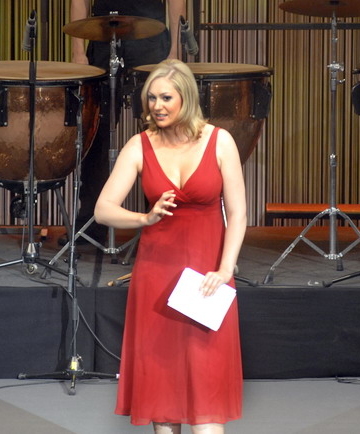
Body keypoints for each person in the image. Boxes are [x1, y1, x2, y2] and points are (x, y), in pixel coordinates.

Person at [95, 59, 246, 433]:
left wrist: (225, 268)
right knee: (163, 396)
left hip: (208, 276)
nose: (157, 106)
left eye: (166, 98)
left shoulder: (219, 141)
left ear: (186, 99)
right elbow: (103, 210)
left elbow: (238, 213)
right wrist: (144, 219)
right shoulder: (139, 145)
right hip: (156, 276)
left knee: (208, 396)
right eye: (152, 98)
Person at [67, 0, 185, 244]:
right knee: (96, 134)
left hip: (151, 39)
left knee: (160, 135)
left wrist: (176, 48)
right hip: (102, 37)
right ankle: (91, 223)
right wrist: (78, 51)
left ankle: (162, 224)